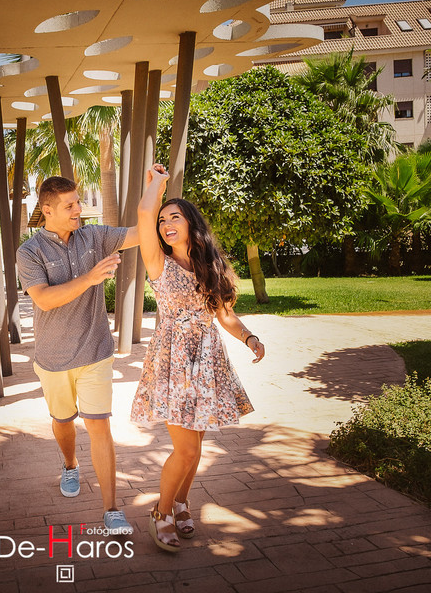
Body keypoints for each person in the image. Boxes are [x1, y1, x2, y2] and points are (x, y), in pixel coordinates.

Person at [130, 164, 265, 552]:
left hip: (207, 362)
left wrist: (249, 337)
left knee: (197, 443)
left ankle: (182, 503)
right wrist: (157, 183)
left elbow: (225, 315)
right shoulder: (159, 262)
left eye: (174, 217)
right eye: (163, 220)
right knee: (186, 448)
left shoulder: (210, 266)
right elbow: (144, 212)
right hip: (174, 362)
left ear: (191, 223)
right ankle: (161, 511)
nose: (166, 224)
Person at [16, 176, 139, 535]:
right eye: (70, 205)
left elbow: (140, 233)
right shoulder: (30, 252)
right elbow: (43, 299)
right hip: (53, 358)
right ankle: (70, 464)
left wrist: (155, 189)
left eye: (78, 202)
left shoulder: (94, 236)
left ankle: (112, 509)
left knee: (99, 424)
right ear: (47, 210)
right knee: (63, 420)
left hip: (95, 350)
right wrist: (90, 277)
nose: (78, 210)